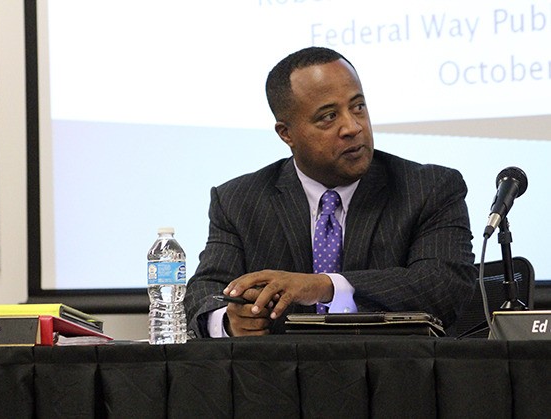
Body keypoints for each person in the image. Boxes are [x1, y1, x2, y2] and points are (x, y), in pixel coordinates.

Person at [184, 46, 476, 338]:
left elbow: (442, 286)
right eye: (328, 116)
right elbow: (205, 291)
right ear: (286, 134)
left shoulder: (429, 189)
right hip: (279, 379)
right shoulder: (238, 201)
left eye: (358, 107)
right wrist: (229, 321)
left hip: (393, 375)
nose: (352, 126)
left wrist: (324, 286)